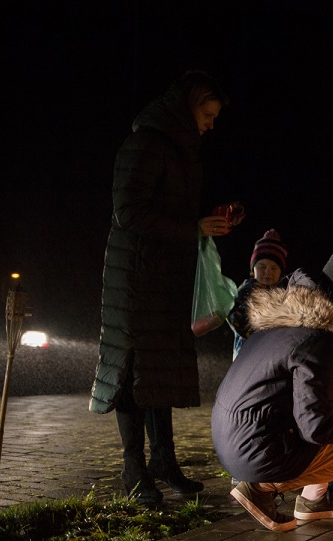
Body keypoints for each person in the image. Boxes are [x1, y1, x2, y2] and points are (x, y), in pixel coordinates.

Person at [89, 70, 232, 506]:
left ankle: (164, 461)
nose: (211, 124)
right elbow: (128, 212)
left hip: (164, 277)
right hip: (135, 278)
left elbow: (170, 209)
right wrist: (193, 227)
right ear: (188, 106)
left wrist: (204, 223)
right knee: (132, 372)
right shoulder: (145, 143)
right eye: (207, 114)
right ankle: (133, 470)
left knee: (159, 370)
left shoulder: (179, 149)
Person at [211, 247, 333, 532]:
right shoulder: (320, 334)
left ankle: (315, 499)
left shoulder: (290, 316)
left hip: (230, 437)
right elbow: (315, 428)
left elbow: (279, 376)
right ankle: (261, 488)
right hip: (253, 450)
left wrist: (327, 373)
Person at [227, 229, 289, 360]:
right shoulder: (247, 291)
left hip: (268, 354)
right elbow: (237, 320)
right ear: (253, 268)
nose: (268, 272)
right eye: (262, 267)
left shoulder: (282, 293)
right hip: (246, 354)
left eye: (274, 268)